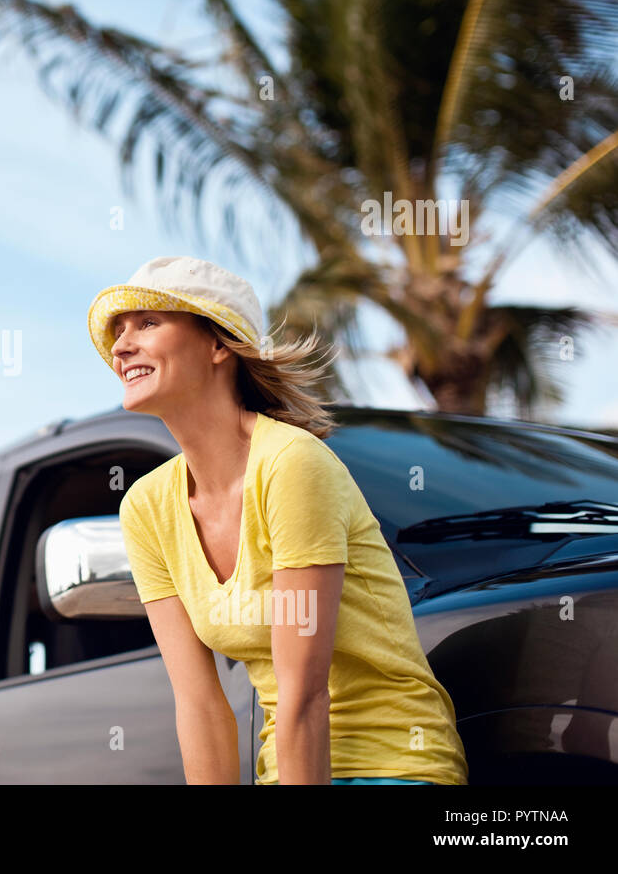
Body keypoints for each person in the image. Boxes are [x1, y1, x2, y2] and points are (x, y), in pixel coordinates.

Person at [87, 256, 468, 785]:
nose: (122, 346)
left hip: (393, 765)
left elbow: (304, 692)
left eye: (148, 323)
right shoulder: (147, 508)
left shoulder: (290, 464)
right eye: (118, 332)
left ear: (220, 344)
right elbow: (200, 705)